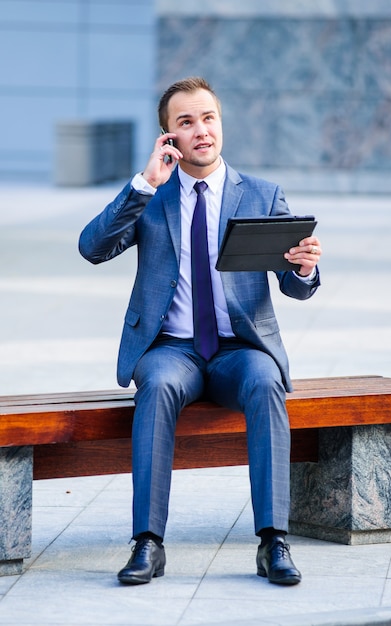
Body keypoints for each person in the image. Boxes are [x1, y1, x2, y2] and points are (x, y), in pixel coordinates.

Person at [79, 77, 321, 587]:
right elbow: (93, 248)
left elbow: (296, 289)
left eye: (207, 118)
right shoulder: (153, 196)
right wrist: (144, 185)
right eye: (185, 122)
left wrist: (301, 269)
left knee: (265, 381)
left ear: (220, 124)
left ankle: (274, 541)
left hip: (240, 349)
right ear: (168, 137)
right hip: (171, 350)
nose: (201, 131)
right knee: (160, 386)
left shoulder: (260, 194)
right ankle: (147, 542)